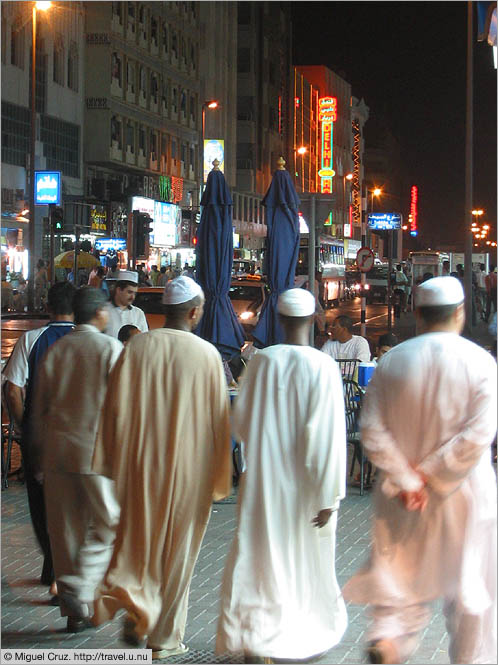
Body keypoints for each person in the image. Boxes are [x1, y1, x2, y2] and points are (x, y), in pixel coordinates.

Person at [343, 276, 497, 664]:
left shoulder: (392, 360)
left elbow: (372, 430)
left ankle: (389, 641)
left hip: (401, 495)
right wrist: (430, 474)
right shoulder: (480, 362)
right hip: (465, 494)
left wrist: (410, 478)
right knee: (468, 593)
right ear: (460, 313)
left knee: (398, 582)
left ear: (416, 314)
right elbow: (478, 436)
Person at [92, 276, 232, 659]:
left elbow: (114, 409)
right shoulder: (206, 355)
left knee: (139, 542)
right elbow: (219, 421)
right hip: (191, 469)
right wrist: (222, 475)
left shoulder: (138, 347)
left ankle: (138, 606)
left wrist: (110, 460)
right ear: (193, 311)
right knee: (179, 553)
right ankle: (164, 637)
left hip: (141, 464)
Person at [217, 288, 347, 663]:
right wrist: (330, 496)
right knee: (304, 562)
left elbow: (240, 424)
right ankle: (295, 633)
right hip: (308, 487)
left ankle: (256, 636)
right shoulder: (323, 366)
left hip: (264, 483)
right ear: (314, 320)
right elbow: (327, 437)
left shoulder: (261, 361)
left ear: (279, 319)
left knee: (259, 558)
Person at [30, 287, 122, 633]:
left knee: (65, 533)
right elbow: (121, 407)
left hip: (57, 452)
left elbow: (40, 408)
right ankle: (81, 587)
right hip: (96, 453)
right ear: (99, 312)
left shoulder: (57, 350)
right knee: (109, 523)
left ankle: (74, 609)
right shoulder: (109, 348)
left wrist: (37, 455)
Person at [3, 282, 76, 598]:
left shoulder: (31, 340)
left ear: (48, 307)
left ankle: (55, 569)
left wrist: (24, 426)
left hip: (40, 442)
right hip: (78, 443)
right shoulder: (92, 342)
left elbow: (12, 390)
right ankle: (62, 572)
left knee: (43, 507)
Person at [104, 270, 148, 338]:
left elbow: (143, 338)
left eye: (135, 293)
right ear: (118, 290)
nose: (132, 297)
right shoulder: (104, 311)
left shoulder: (138, 313)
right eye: (129, 292)